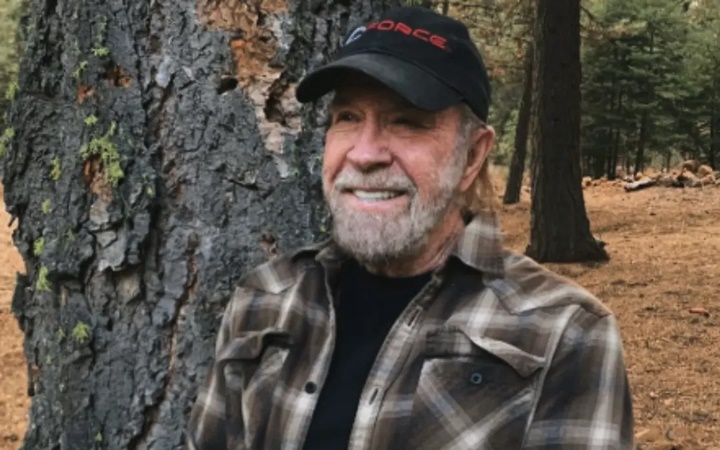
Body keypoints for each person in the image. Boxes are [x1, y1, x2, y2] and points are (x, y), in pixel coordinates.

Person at [186, 6, 634, 450]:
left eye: (407, 122)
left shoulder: (564, 333)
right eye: (347, 117)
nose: (365, 154)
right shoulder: (265, 299)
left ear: (472, 156)